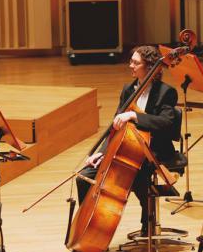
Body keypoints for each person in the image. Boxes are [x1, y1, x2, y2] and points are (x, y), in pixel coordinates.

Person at [76, 45, 178, 236]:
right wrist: (101, 152)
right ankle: (86, 228)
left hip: (152, 149)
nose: (130, 65)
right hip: (125, 148)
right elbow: (116, 126)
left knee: (137, 175)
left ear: (149, 67)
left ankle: (148, 218)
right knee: (84, 177)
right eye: (131, 61)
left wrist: (135, 116)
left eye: (135, 62)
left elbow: (166, 122)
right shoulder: (128, 89)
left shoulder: (166, 92)